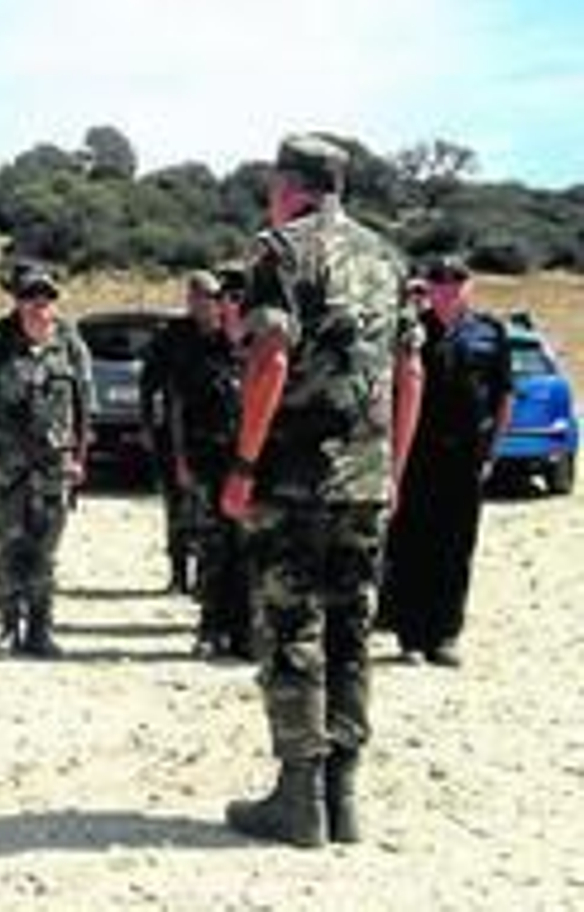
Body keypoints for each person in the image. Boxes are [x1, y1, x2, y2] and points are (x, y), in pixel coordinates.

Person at [219, 135, 424, 848]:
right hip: (365, 480)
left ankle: (299, 798)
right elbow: (411, 372)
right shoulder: (386, 258)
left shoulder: (281, 250)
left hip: (295, 480)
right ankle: (343, 796)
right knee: (350, 631)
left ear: (288, 186)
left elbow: (271, 358)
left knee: (292, 629)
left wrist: (243, 465)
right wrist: (393, 469)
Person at [380, 255, 512, 668]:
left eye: (457, 279)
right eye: (439, 279)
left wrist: (492, 452)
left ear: (469, 285)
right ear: (429, 286)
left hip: (465, 460)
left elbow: (504, 396)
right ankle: (411, 636)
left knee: (456, 547)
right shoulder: (411, 332)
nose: (448, 286)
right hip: (418, 457)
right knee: (411, 544)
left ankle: (446, 635)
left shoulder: (490, 332)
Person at [0, 261, 90, 658]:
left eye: (46, 297)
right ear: (17, 301)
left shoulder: (70, 343)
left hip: (54, 465)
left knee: (45, 551)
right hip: (5, 463)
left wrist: (80, 458)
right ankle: (8, 626)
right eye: (30, 297)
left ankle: (39, 628)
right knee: (9, 546)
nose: (39, 304)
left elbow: (83, 405)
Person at [164, 270, 253, 660]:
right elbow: (178, 409)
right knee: (213, 549)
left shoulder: (261, 350)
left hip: (250, 466)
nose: (230, 306)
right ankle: (212, 628)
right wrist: (181, 460)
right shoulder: (198, 351)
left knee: (248, 549)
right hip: (207, 462)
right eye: (224, 298)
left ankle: (245, 632)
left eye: (237, 299)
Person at [141, 292, 199, 593]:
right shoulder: (171, 336)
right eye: (197, 297)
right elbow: (148, 384)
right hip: (173, 434)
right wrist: (147, 425)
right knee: (177, 506)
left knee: (207, 512)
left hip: (211, 435)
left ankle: (205, 576)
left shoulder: (223, 334)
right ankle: (179, 575)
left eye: (209, 297)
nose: (203, 303)